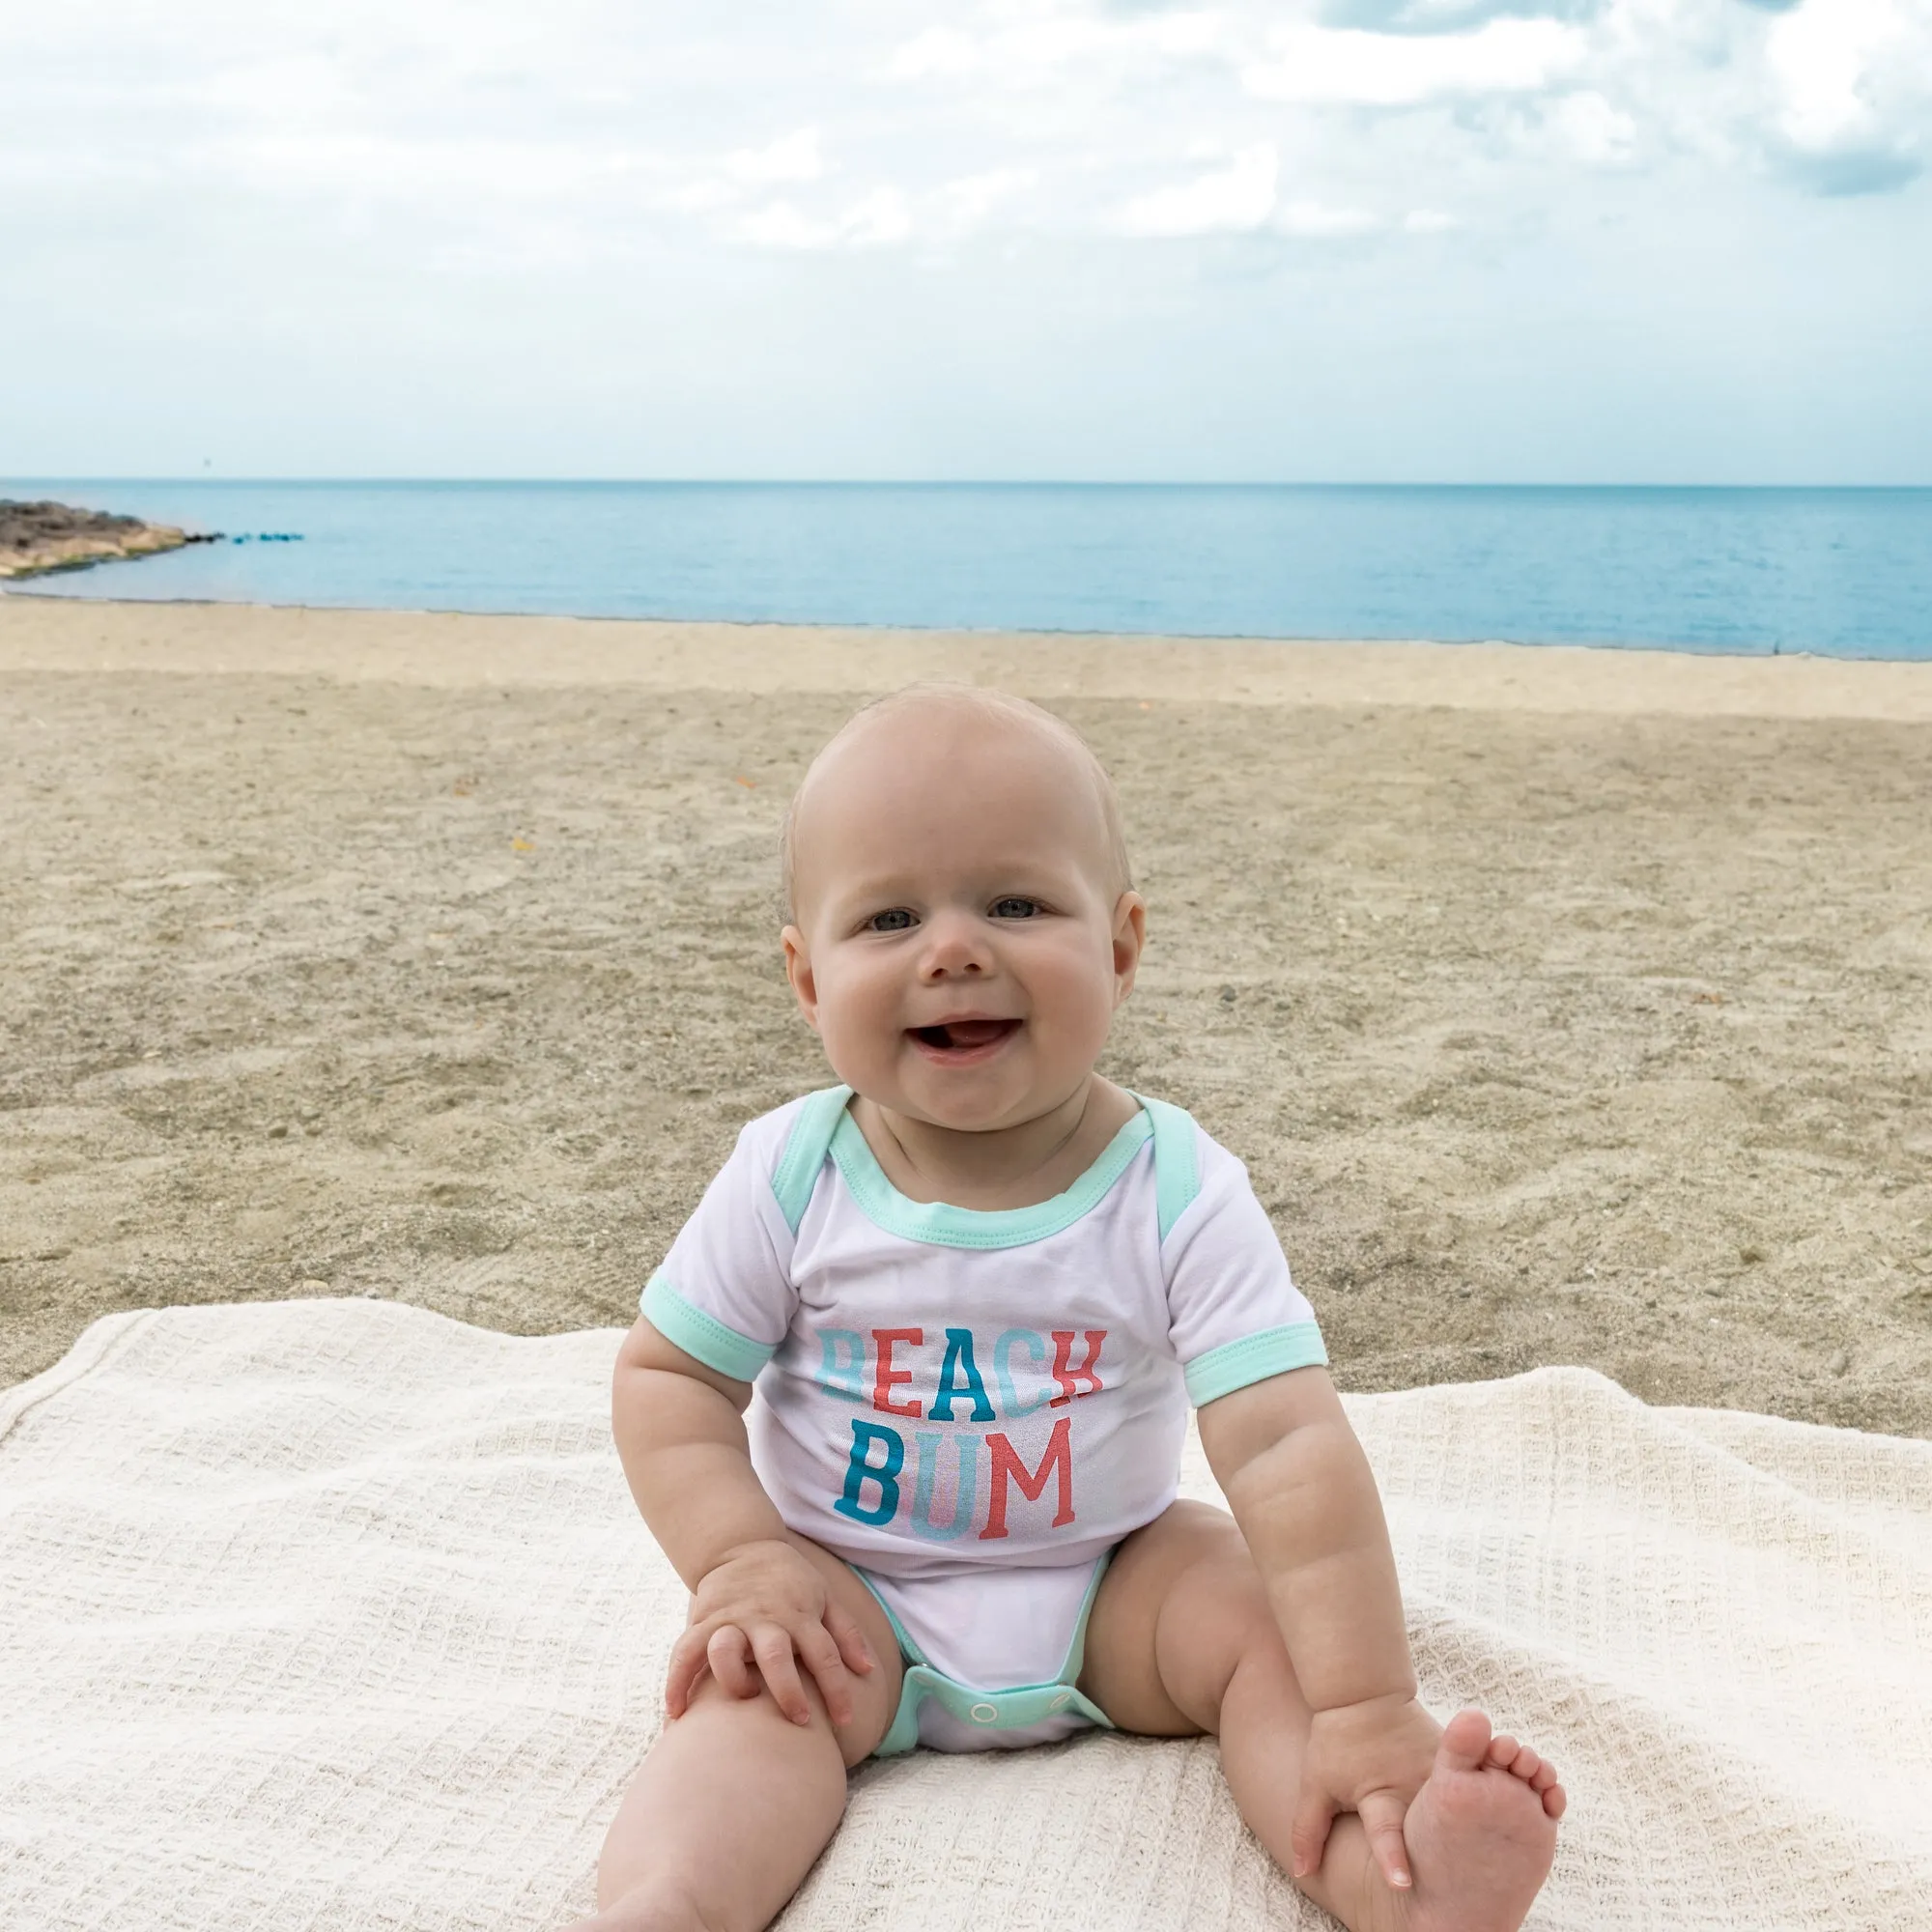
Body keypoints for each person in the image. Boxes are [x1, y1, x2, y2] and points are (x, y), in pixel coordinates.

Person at [573, 685, 1565, 1932]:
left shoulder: (1176, 1184)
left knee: (1266, 1625)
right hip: (849, 1596)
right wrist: (743, 1557)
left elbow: (1284, 1441)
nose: (953, 949)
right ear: (807, 980)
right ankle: (669, 1908)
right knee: (743, 1701)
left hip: (1115, 1585)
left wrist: (1367, 1706)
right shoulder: (789, 1173)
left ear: (1120, 947)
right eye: (888, 917)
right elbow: (671, 1381)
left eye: (1016, 903)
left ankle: (1399, 1884)